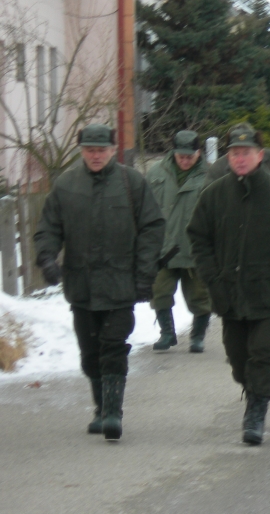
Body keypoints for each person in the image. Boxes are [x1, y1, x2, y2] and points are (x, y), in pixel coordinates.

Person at [187, 125, 270, 445]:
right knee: (238, 359)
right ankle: (252, 389)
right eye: (234, 153)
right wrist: (211, 277)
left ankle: (257, 411)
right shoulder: (214, 195)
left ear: (260, 156)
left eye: (246, 152)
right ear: (228, 157)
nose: (240, 158)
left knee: (264, 352)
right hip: (229, 293)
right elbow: (198, 238)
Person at [34, 124, 165, 441]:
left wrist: (144, 275)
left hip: (121, 284)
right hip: (81, 286)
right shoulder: (66, 185)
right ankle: (101, 407)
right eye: (90, 150)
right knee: (90, 353)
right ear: (82, 151)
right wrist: (47, 258)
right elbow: (49, 227)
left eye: (101, 150)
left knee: (113, 346)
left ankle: (112, 414)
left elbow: (152, 227)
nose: (96, 155)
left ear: (112, 150)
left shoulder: (132, 183)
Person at [146, 130, 212, 353]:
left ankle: (197, 336)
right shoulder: (156, 173)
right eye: (180, 156)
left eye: (189, 157)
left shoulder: (209, 177)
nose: (184, 161)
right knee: (159, 292)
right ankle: (167, 333)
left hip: (196, 249)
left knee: (200, 296)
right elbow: (144, 208)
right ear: (173, 153)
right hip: (164, 247)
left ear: (198, 153)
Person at [204, 122, 270, 200]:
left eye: (246, 151)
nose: (241, 159)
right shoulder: (218, 169)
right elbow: (206, 201)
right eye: (236, 152)